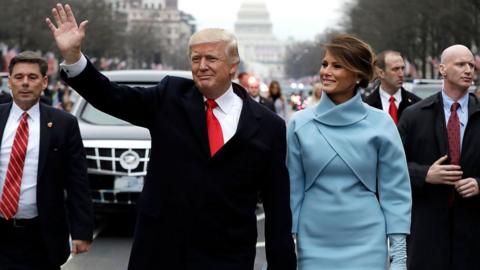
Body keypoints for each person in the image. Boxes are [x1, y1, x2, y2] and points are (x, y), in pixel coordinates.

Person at [46, 4, 296, 270]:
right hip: (161, 252)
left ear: (233, 65)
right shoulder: (169, 97)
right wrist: (74, 57)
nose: (202, 66)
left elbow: (277, 207)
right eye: (195, 59)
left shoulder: (269, 126)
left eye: (211, 59)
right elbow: (111, 96)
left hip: (227, 256)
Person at [287, 34, 411, 270]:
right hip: (312, 241)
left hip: (368, 242)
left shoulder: (382, 124)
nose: (326, 71)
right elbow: (292, 190)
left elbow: (395, 191)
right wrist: (287, 245)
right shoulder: (298, 123)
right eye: (324, 64)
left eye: (337, 65)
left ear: (357, 74)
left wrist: (399, 256)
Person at [0, 51, 93, 269]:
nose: (25, 83)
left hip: (41, 235)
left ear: (43, 82)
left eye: (32, 78)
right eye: (19, 77)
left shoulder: (63, 124)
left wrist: (82, 230)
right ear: (10, 81)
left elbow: (77, 180)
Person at [398, 44, 480, 270]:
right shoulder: (414, 115)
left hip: (473, 232)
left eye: (471, 65)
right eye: (461, 64)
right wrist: (425, 174)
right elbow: (390, 168)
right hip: (427, 230)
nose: (468, 70)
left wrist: (478, 183)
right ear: (442, 69)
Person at [364, 50, 421, 124]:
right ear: (381, 73)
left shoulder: (417, 104)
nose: (401, 74)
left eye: (402, 68)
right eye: (396, 69)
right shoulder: (367, 106)